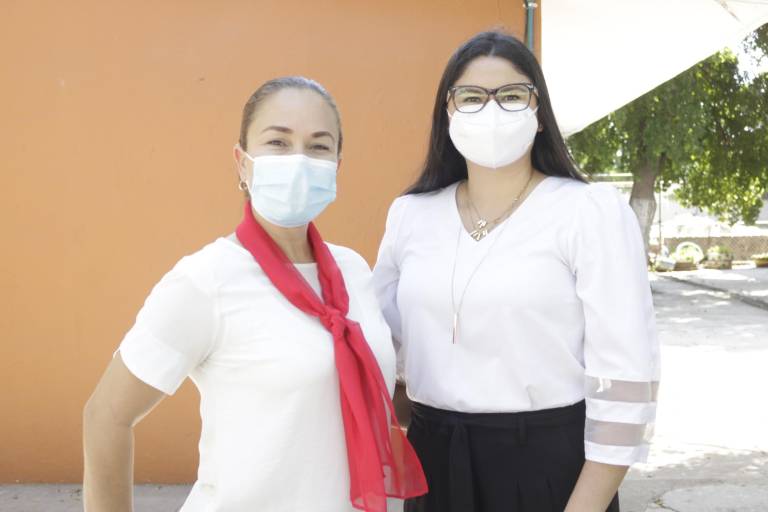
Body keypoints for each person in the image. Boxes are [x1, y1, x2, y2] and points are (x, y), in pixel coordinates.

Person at [83, 76, 426, 512]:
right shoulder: (206, 280)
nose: (299, 159)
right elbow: (105, 417)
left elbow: (376, 392)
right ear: (242, 164)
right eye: (278, 143)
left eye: (319, 146)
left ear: (337, 166)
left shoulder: (353, 270)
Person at [372, 31, 660, 512]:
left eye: (510, 96)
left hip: (548, 472)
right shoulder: (410, 216)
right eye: (470, 97)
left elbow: (628, 379)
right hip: (435, 465)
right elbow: (381, 350)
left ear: (539, 113)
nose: (490, 110)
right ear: (448, 112)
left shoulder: (588, 212)